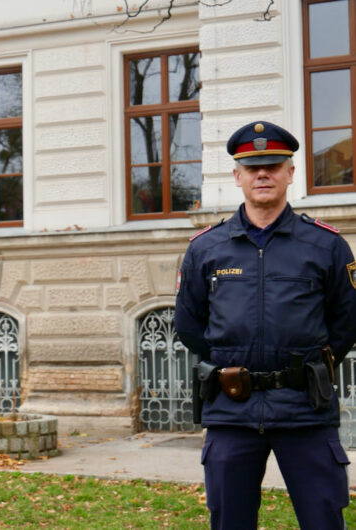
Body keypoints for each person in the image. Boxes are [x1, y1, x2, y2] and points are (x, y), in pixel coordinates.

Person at [175, 121, 356, 529]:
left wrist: (304, 365)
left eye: (273, 166)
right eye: (252, 167)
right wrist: (230, 362)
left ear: (290, 173)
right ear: (236, 176)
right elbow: (189, 324)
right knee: (230, 522)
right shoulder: (206, 248)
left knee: (324, 520)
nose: (263, 174)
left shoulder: (326, 245)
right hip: (231, 411)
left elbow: (346, 322)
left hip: (305, 410)